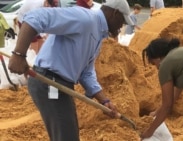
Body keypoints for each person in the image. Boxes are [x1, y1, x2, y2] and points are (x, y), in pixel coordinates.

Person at [8, 0, 133, 140]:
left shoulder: (97, 33)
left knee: (67, 135)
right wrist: (19, 54)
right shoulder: (85, 18)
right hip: (49, 83)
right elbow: (34, 17)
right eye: (122, 20)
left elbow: (86, 72)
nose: (122, 26)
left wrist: (104, 101)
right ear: (114, 13)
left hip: (60, 84)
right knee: (67, 137)